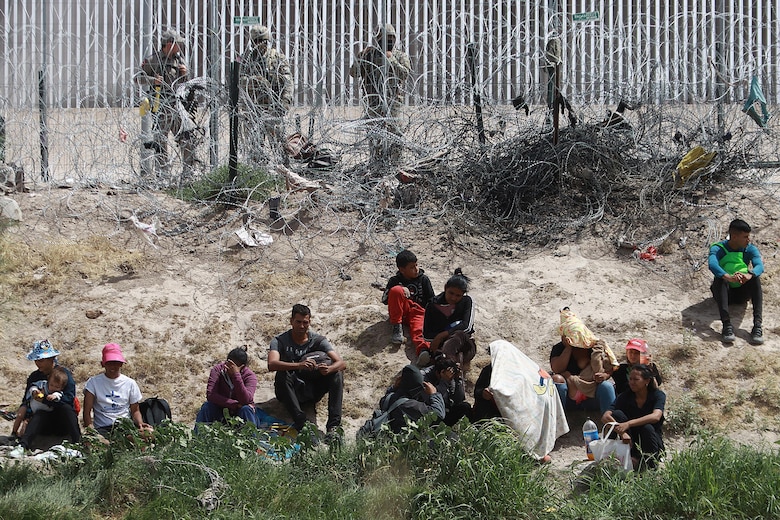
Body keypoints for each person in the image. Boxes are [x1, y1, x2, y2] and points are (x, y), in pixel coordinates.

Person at [268, 304, 346, 439]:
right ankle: (301, 422)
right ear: (291, 321)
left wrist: (329, 369)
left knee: (337, 373)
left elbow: (341, 363)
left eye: (305, 322)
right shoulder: (279, 340)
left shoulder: (318, 340)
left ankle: (333, 426)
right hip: (290, 391)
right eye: (298, 322)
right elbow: (272, 364)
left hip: (312, 389)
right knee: (283, 374)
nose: (302, 326)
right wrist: (299, 365)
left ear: (309, 322)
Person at [135, 28, 198, 181]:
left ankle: (189, 172)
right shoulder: (153, 60)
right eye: (178, 44)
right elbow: (138, 79)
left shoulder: (179, 60)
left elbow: (185, 84)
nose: (180, 47)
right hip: (161, 106)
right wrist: (153, 80)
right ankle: (163, 174)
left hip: (177, 106)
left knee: (186, 137)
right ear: (169, 44)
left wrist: (185, 74)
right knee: (160, 141)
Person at [349, 23, 411, 164]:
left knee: (396, 137)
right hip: (373, 103)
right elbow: (354, 73)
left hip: (393, 103)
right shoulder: (369, 54)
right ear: (379, 39)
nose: (389, 41)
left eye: (392, 38)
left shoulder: (400, 56)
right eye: (386, 38)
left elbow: (404, 74)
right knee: (375, 138)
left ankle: (396, 166)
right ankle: (376, 167)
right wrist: (360, 58)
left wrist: (391, 59)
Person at [10, 340, 81, 457]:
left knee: (67, 409)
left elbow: (68, 399)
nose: (38, 364)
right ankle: (22, 446)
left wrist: (44, 399)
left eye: (41, 360)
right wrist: (25, 419)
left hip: (62, 422)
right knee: (39, 414)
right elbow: (26, 400)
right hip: (42, 423)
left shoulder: (64, 375)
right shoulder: (34, 377)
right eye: (36, 360)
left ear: (51, 359)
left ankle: (78, 444)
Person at [239, 24, 293, 165]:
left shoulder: (277, 58)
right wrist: (254, 81)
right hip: (253, 109)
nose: (259, 45)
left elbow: (287, 82)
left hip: (272, 108)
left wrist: (285, 102)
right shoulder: (246, 60)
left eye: (262, 41)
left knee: (279, 146)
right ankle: (258, 175)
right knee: (255, 147)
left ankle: (285, 174)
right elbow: (238, 82)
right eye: (256, 42)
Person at [550, 308, 618, 415]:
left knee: (607, 386)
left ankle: (611, 421)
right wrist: (568, 348)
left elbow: (608, 366)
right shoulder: (559, 348)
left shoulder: (591, 346)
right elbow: (557, 368)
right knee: (557, 380)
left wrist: (605, 375)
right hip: (570, 395)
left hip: (591, 391)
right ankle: (559, 420)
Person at [708, 218, 765, 344]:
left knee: (755, 278)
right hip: (724, 292)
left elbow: (759, 266)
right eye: (745, 237)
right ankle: (727, 325)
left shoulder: (749, 249)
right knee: (719, 279)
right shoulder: (718, 248)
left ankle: (757, 326)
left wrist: (749, 274)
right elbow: (712, 264)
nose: (748, 240)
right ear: (734, 237)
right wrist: (727, 276)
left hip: (741, 292)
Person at [602, 364, 666, 470]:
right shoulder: (625, 396)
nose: (632, 382)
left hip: (651, 439)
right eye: (630, 379)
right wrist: (622, 432)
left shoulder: (657, 395)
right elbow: (605, 416)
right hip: (631, 439)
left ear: (647, 381)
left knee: (647, 428)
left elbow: (656, 416)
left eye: (636, 379)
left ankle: (650, 463)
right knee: (617, 414)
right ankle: (612, 456)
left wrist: (628, 424)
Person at [83, 343, 152, 438]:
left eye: (116, 363)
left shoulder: (130, 383)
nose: (113, 367)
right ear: (103, 364)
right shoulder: (93, 383)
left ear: (121, 364)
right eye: (110, 363)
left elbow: (135, 410)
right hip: (102, 428)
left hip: (124, 427)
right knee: (92, 442)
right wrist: (90, 428)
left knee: (149, 433)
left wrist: (140, 423)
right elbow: (87, 411)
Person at [381, 249, 435, 355]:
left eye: (416, 265)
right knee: (396, 290)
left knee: (419, 330)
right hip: (402, 313)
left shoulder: (424, 279)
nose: (416, 269)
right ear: (402, 270)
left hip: (418, 313)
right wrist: (400, 287)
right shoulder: (394, 280)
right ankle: (397, 329)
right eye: (412, 267)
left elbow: (431, 300)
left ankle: (423, 351)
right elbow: (385, 300)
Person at [421, 268, 476, 368]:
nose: (454, 298)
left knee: (458, 336)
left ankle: (446, 364)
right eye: (451, 293)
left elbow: (467, 326)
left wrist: (442, 335)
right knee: (446, 356)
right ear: (445, 288)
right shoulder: (433, 305)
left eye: (458, 295)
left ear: (463, 294)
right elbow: (426, 335)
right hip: (442, 346)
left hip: (464, 345)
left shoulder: (467, 301)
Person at [195, 347, 259, 428]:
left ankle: (251, 438)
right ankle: (197, 437)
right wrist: (234, 404)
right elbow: (211, 395)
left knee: (246, 409)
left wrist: (236, 375)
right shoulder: (218, 370)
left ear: (242, 367)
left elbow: (246, 400)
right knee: (207, 406)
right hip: (221, 411)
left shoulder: (249, 376)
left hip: (239, 414)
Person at [386, 364, 445, 433]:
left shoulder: (388, 397)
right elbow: (438, 415)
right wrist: (434, 394)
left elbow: (389, 393)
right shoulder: (408, 405)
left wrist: (394, 388)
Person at [423, 357, 471, 426]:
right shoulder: (424, 377)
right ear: (439, 372)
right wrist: (444, 381)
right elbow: (433, 400)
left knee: (465, 407)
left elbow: (459, 399)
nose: (451, 379)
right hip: (431, 412)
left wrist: (457, 379)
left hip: (446, 409)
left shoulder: (449, 375)